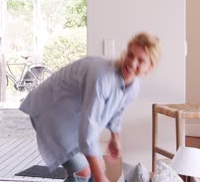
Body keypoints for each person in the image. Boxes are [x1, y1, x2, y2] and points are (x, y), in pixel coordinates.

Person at [20, 32, 160, 182]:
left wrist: (115, 137)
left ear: (150, 67)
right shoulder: (102, 77)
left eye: (141, 60)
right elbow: (88, 131)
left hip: (75, 118)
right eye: (130, 55)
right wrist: (100, 176)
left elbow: (117, 111)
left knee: (97, 168)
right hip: (51, 110)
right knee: (84, 172)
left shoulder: (134, 85)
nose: (132, 63)